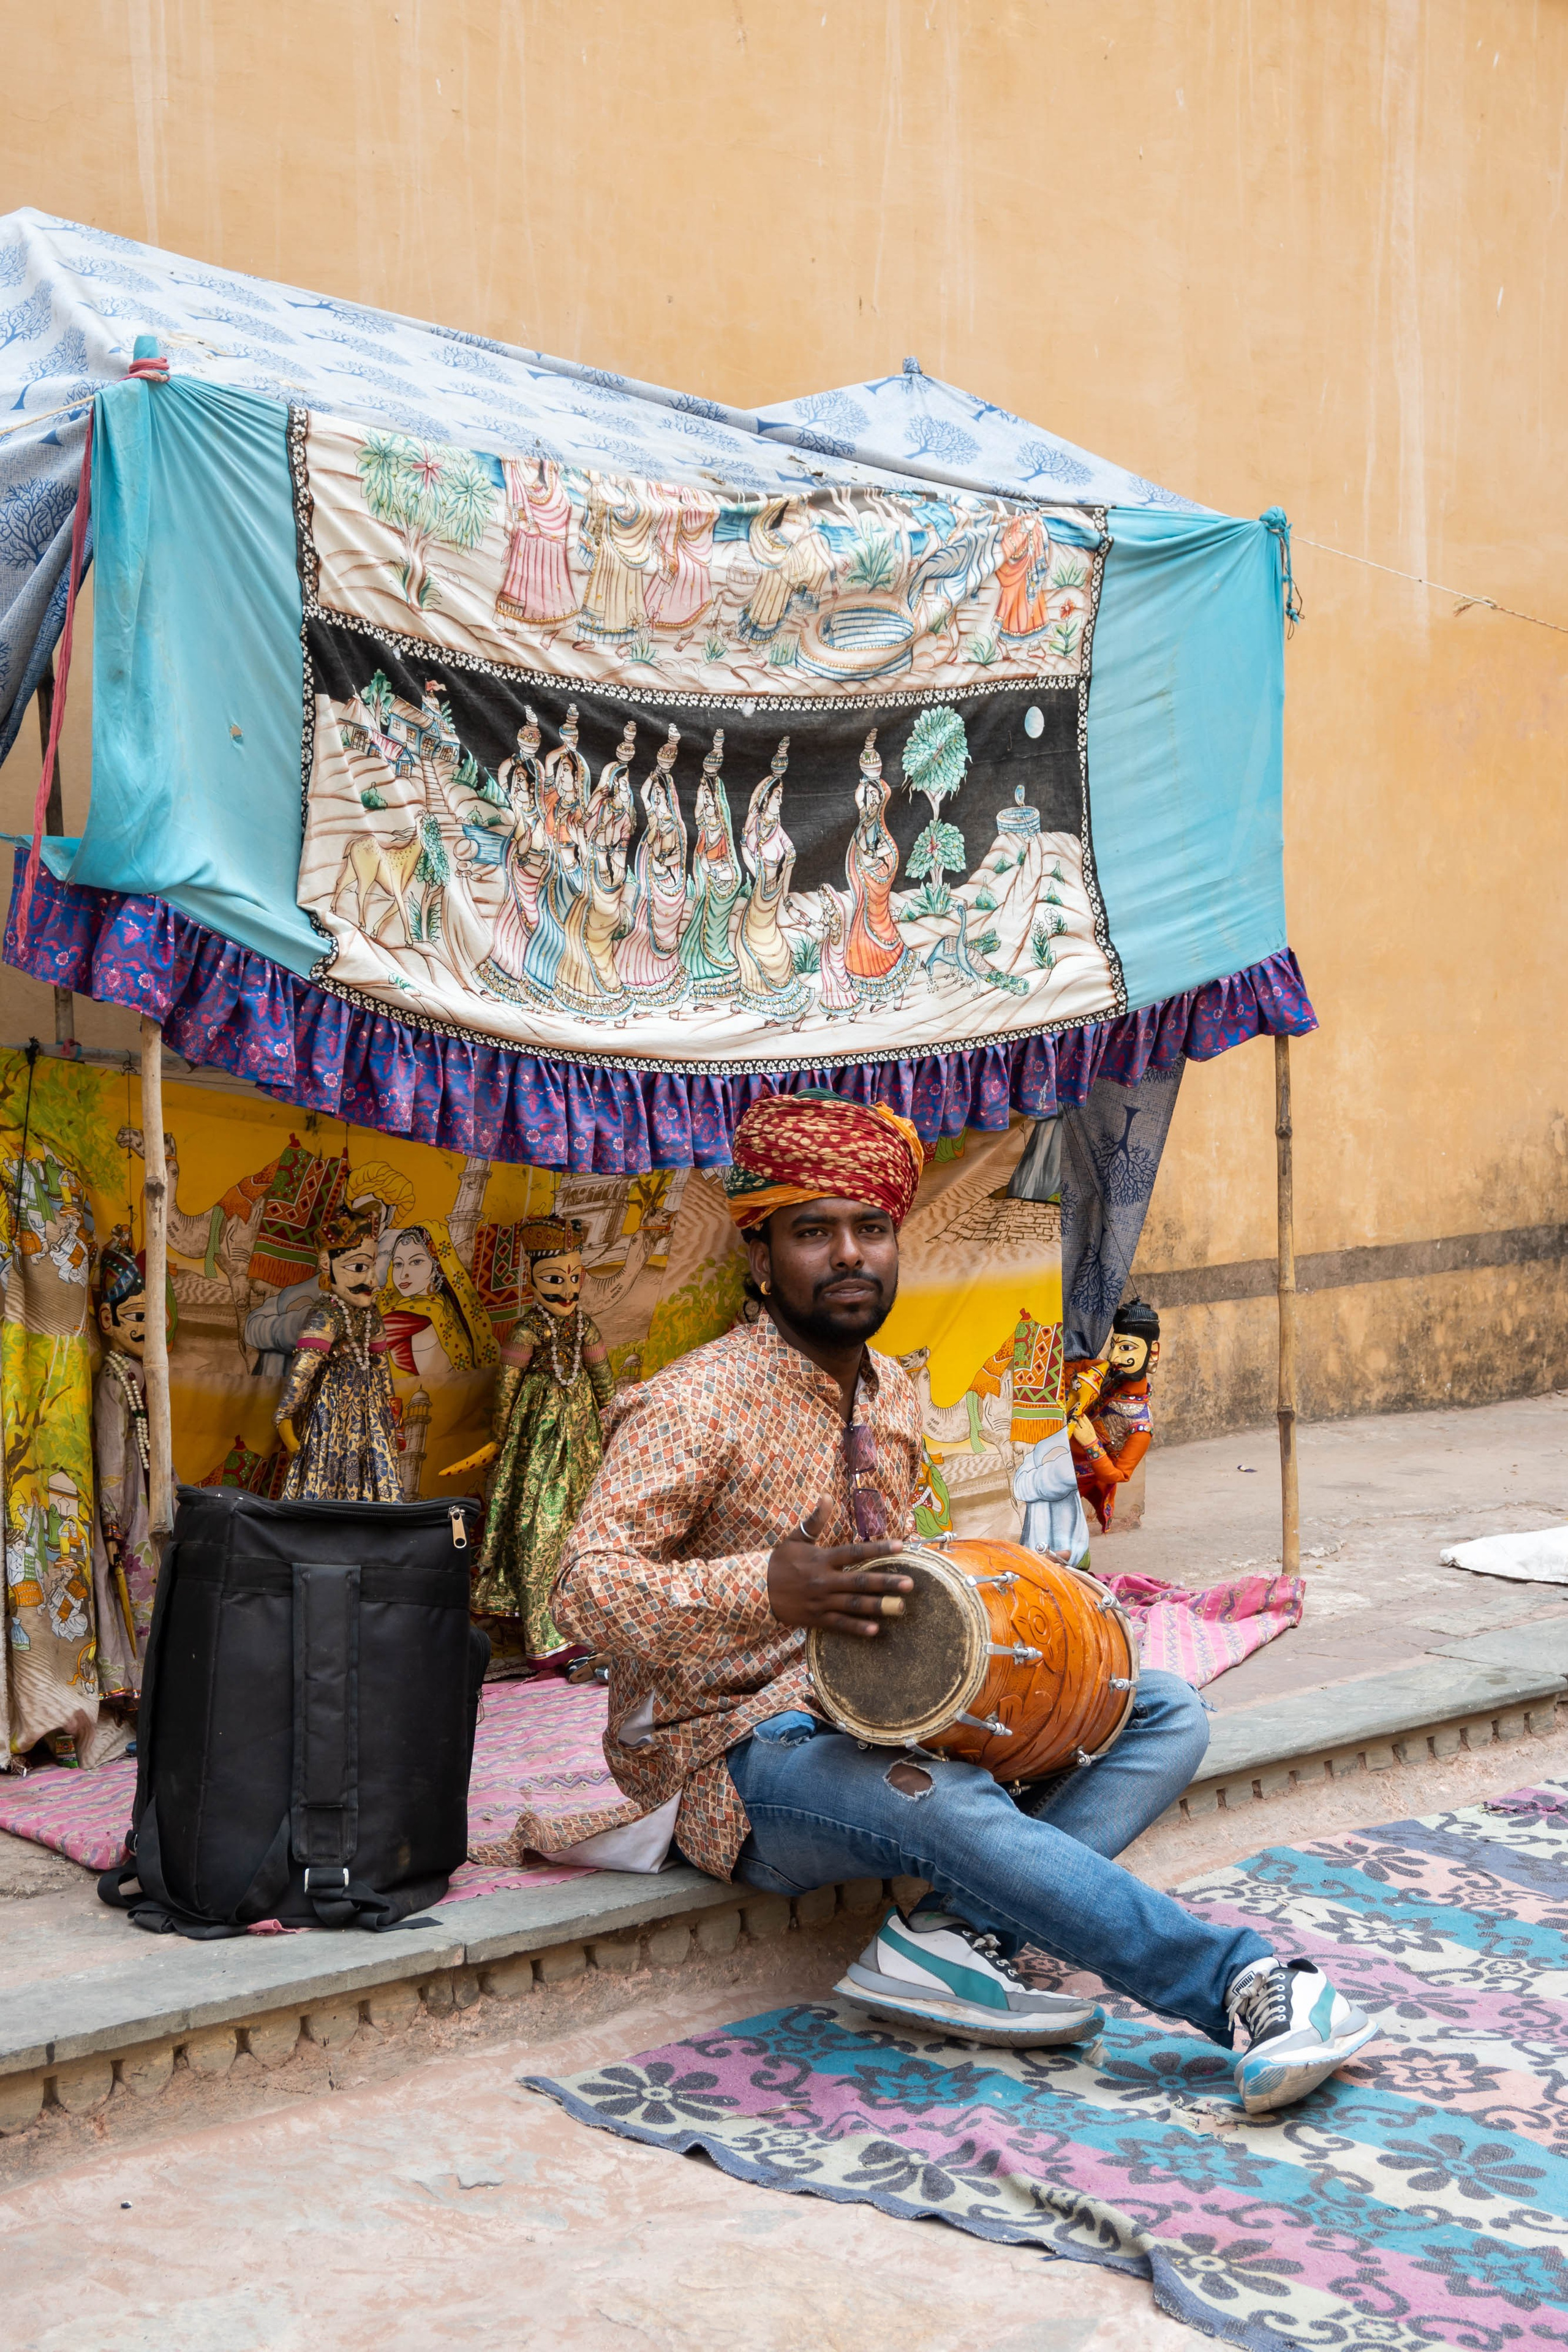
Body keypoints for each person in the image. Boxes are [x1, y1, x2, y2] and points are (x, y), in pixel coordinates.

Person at [537, 1089, 1377, 2118]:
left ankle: (947, 1939)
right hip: (736, 1757)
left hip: (877, 1709)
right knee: (939, 1796)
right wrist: (763, 1586)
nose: (848, 1254)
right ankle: (1243, 1986)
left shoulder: (892, 1390)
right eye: (813, 1232)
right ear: (761, 1259)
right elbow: (579, 1586)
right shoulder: (692, 1402)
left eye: (871, 1229)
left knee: (1157, 1707)